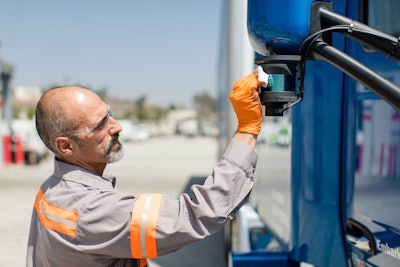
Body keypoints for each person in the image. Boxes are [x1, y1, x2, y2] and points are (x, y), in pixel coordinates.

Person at [26, 68, 268, 267]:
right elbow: (198, 214)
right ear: (65, 146)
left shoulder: (50, 190)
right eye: (100, 124)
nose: (117, 126)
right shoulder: (93, 210)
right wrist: (247, 130)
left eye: (109, 113)